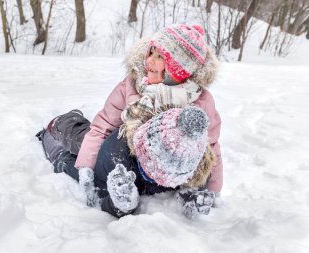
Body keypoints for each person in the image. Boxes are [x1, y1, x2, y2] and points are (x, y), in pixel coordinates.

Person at [36, 24, 222, 219]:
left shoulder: (200, 101)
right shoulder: (134, 85)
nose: (149, 60)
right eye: (151, 52)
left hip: (155, 166)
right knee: (80, 140)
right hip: (118, 143)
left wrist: (211, 189)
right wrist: (85, 169)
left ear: (178, 70)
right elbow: (103, 126)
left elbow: (210, 147)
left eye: (160, 57)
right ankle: (63, 122)